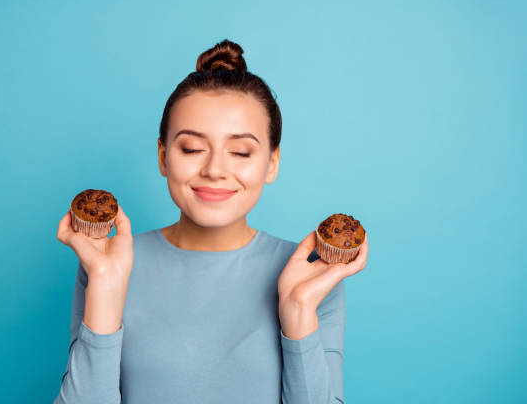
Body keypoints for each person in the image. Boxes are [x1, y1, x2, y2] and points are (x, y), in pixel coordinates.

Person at [54, 39, 368, 404]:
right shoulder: (107, 262)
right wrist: (107, 285)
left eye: (241, 151)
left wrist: (298, 308)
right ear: (163, 157)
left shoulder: (312, 275)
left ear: (271, 163)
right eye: (191, 148)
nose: (215, 169)